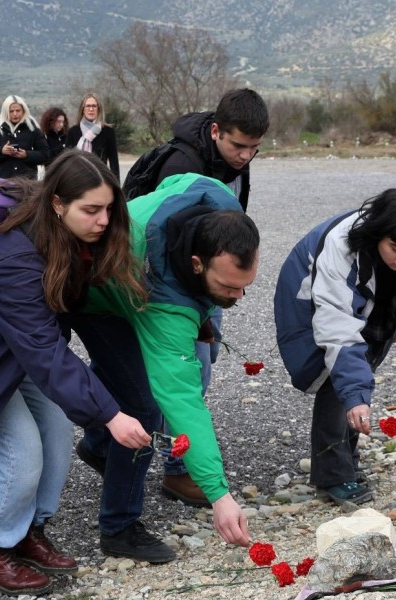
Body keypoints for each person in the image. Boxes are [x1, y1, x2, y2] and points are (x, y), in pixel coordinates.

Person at [0, 150, 151, 596]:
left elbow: (47, 336)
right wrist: (111, 415)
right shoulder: (15, 260)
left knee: (57, 431)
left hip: (13, 346)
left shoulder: (62, 234)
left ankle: (29, 532)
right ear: (58, 204)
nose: (104, 220)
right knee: (20, 452)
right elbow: (46, 351)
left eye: (108, 209)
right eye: (92, 210)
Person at [69, 173, 258, 563]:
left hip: (139, 278)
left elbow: (179, 179)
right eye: (228, 287)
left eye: (245, 286)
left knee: (124, 382)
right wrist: (219, 494)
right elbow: (182, 399)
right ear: (195, 263)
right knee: (144, 406)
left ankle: (98, 446)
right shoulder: (164, 303)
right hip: (95, 295)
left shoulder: (219, 199)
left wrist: (205, 306)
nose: (238, 298)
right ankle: (119, 528)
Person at [141, 88, 270, 508]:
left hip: (208, 271)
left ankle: (166, 454)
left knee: (202, 363)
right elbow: (165, 250)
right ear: (216, 131)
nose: (245, 157)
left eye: (254, 148)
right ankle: (177, 470)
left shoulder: (232, 161)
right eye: (238, 146)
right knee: (187, 375)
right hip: (170, 283)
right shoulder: (182, 166)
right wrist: (192, 313)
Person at [274, 189, 396, 505]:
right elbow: (338, 332)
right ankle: (333, 475)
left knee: (357, 374)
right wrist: (354, 395)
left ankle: (346, 458)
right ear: (378, 235)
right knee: (335, 379)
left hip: (364, 306)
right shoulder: (341, 248)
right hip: (311, 298)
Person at [0, 94, 49, 179]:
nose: (15, 114)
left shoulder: (33, 129)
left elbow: (45, 154)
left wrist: (27, 155)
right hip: (3, 183)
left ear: (23, 111)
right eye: (11, 111)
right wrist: (1, 151)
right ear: (6, 112)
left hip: (27, 184)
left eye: (18, 111)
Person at [66, 93, 119, 179]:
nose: (91, 109)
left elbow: (114, 163)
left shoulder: (108, 132)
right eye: (88, 106)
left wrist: (116, 186)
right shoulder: (73, 132)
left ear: (99, 109)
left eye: (94, 106)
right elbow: (67, 161)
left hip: (100, 180)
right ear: (83, 109)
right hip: (77, 180)